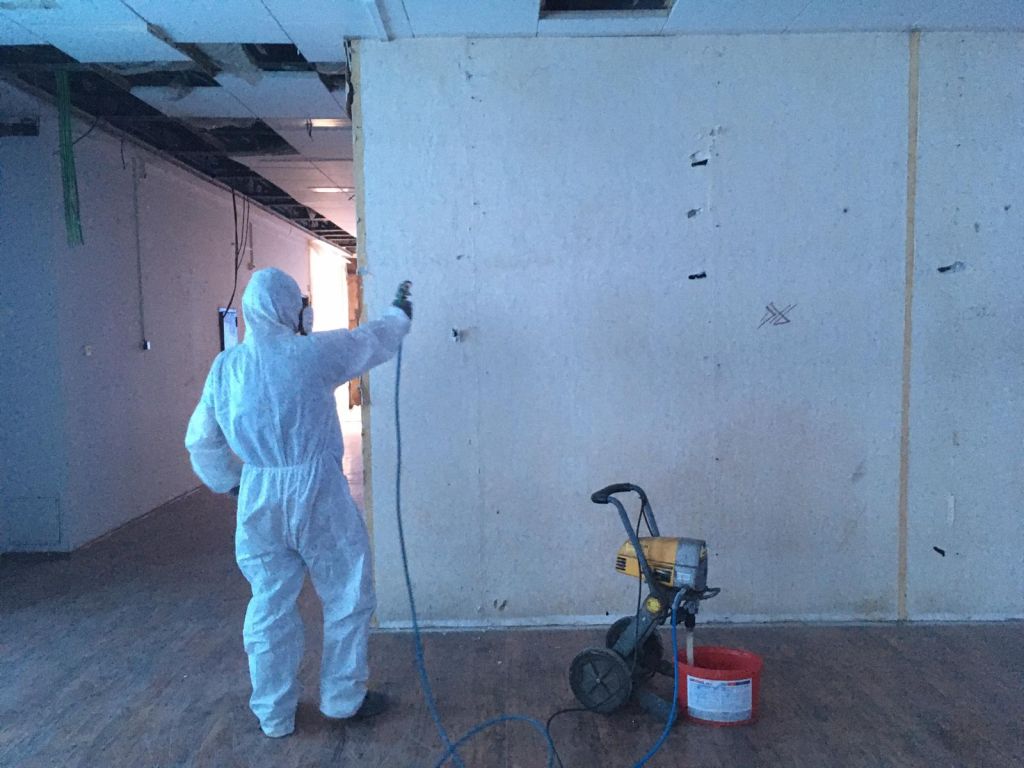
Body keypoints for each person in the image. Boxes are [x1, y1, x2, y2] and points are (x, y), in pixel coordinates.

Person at [185, 267, 412, 738]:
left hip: (259, 496)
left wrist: (231, 483)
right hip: (317, 492)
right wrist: (399, 314)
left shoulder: (226, 368)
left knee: (269, 603)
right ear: (289, 307)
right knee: (347, 592)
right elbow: (369, 341)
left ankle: (273, 714)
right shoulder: (310, 354)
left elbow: (201, 441)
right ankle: (342, 699)